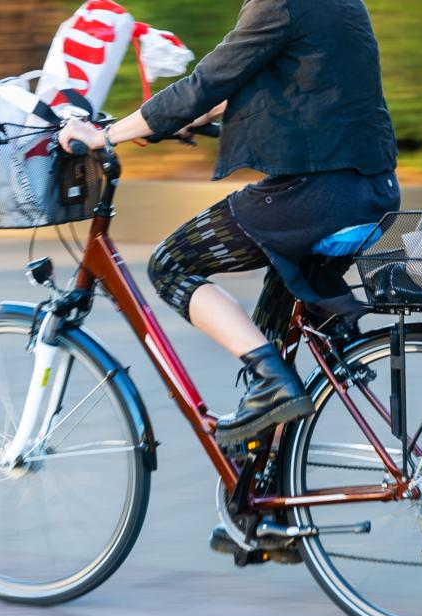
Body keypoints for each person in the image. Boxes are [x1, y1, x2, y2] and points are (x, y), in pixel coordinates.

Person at [59, 0, 399, 447]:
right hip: (371, 191)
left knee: (171, 265)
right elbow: (283, 81)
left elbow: (207, 81)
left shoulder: (279, 4)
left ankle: (271, 383)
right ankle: (267, 488)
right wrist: (185, 119)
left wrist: (103, 135)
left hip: (317, 196)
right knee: (277, 339)